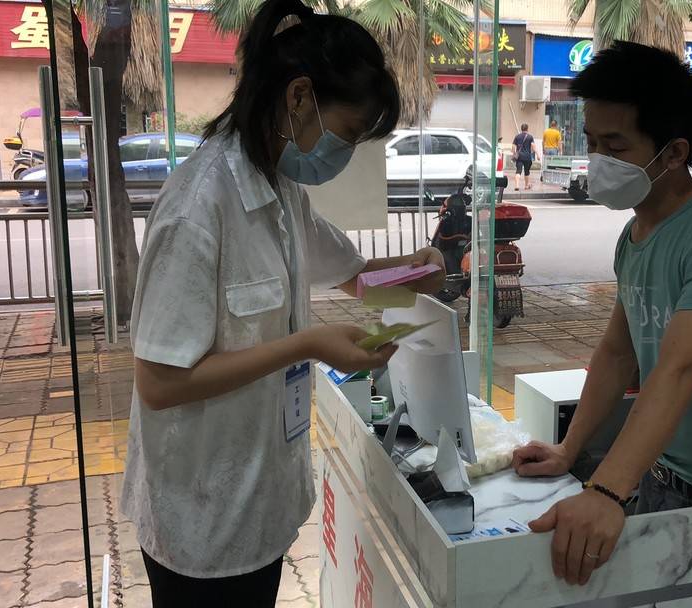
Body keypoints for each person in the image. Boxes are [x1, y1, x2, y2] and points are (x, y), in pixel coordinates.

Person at [119, 1, 445, 606]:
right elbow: (159, 382)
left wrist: (418, 273)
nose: (345, 153)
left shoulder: (280, 187)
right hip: (200, 519)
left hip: (260, 497)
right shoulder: (198, 207)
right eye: (348, 134)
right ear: (299, 97)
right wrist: (307, 344)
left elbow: (355, 278)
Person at [511, 42, 692, 608]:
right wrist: (569, 450)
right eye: (592, 143)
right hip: (659, 474)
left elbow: (680, 367)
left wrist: (607, 489)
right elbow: (617, 353)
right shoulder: (633, 235)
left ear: (675, 152)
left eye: (615, 147)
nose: (597, 160)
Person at [512, 123, 537, 191]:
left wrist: (514, 154)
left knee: (518, 171)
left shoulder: (517, 136)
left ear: (521, 129)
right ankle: (526, 186)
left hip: (519, 156)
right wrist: (536, 154)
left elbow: (513, 146)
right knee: (527, 171)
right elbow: (533, 146)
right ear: (527, 129)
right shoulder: (530, 137)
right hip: (527, 156)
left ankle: (517, 186)